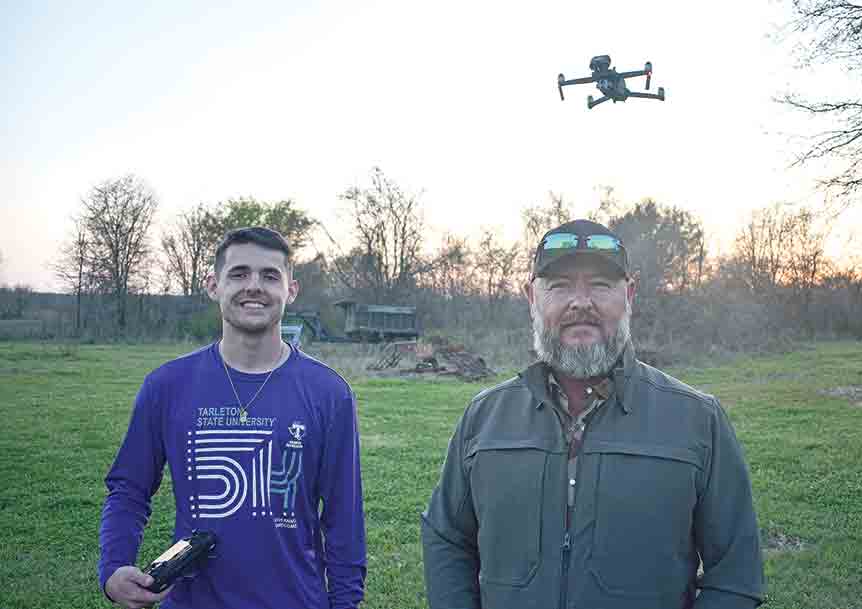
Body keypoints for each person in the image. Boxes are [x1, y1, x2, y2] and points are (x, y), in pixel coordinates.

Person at [421, 219, 765, 609]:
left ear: (630, 294)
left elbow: (736, 574)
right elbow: (447, 537)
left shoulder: (698, 420)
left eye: (600, 285)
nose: (580, 302)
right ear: (532, 297)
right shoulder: (483, 419)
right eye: (559, 285)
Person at [99, 226, 366, 609]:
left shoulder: (329, 393)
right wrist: (113, 568)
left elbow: (344, 521)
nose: (254, 286)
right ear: (213, 285)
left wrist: (345, 604)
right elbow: (129, 488)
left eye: (270, 275)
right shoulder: (167, 385)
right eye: (239, 274)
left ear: (291, 289)